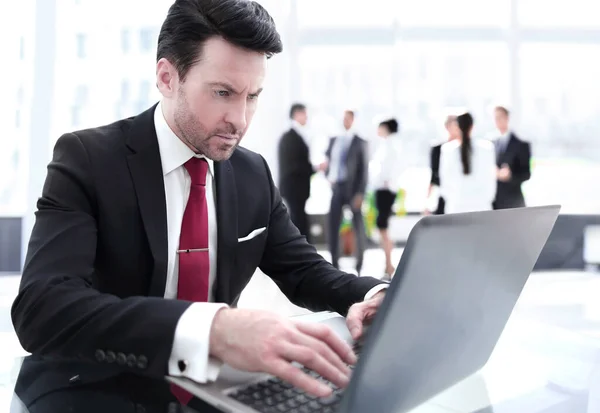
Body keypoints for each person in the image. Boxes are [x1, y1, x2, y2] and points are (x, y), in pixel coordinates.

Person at [10, 1, 388, 411]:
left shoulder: (251, 173)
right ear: (167, 77)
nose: (240, 120)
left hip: (210, 388)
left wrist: (372, 295)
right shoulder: (89, 158)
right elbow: (43, 308)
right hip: (95, 383)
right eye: (223, 93)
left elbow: (304, 270)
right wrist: (214, 329)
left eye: (253, 96)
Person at [324, 110, 369, 276]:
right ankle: (334, 262)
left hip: (353, 189)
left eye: (349, 118)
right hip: (337, 187)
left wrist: (360, 193)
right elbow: (329, 162)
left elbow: (364, 170)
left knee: (358, 227)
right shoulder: (334, 140)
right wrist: (328, 175)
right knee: (332, 224)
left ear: (353, 120)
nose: (346, 121)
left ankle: (359, 264)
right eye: (344, 118)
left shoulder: (360, 142)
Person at [439, 112, 497, 214]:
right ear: (472, 126)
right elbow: (490, 180)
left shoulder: (447, 150)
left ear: (457, 126)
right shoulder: (487, 148)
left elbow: (444, 182)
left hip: (456, 207)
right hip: (481, 207)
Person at [370, 118, 404, 279]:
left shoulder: (391, 146)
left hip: (385, 191)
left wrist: (384, 183)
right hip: (382, 190)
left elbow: (389, 171)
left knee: (383, 228)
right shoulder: (387, 145)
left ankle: (389, 264)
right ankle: (388, 264)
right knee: (383, 228)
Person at [278, 103, 314, 242]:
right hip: (295, 189)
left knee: (299, 219)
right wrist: (314, 168)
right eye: (304, 113)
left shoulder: (294, 136)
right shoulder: (291, 137)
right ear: (297, 114)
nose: (307, 117)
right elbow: (295, 165)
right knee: (298, 221)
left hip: (296, 189)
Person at [492, 106, 532, 209]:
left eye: (500, 117)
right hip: (494, 202)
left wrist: (510, 176)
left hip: (513, 201)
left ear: (507, 118)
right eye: (495, 118)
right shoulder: (490, 144)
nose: (497, 121)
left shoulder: (521, 145)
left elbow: (526, 174)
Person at [426, 115, 460, 215]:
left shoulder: (465, 150)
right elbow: (434, 175)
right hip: (442, 195)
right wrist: (428, 200)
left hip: (461, 196)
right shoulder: (437, 148)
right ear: (447, 126)